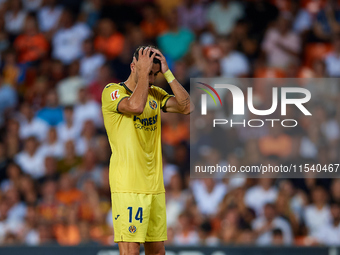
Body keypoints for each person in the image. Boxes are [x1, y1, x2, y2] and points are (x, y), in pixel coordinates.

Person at [101, 45, 194, 255]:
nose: (152, 79)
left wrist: (167, 73)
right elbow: (135, 106)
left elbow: (187, 107)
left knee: (158, 251)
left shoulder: (155, 94)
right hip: (128, 186)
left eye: (154, 74)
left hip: (154, 186)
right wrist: (143, 74)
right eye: (148, 73)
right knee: (131, 251)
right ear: (133, 67)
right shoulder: (112, 92)